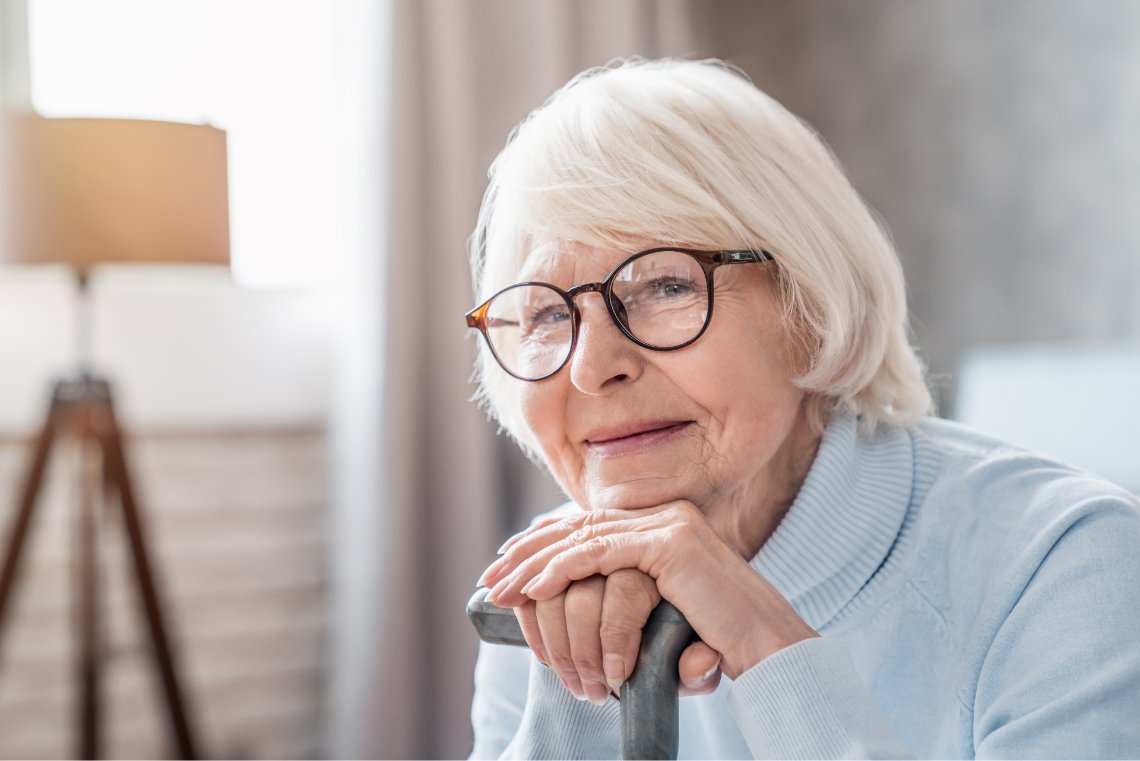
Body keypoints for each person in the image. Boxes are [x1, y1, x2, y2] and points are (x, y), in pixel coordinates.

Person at [463, 58, 1140, 759]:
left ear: (812, 305)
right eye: (545, 312)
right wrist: (580, 700)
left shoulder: (1069, 568)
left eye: (664, 285)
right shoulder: (545, 592)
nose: (593, 366)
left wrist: (765, 645)